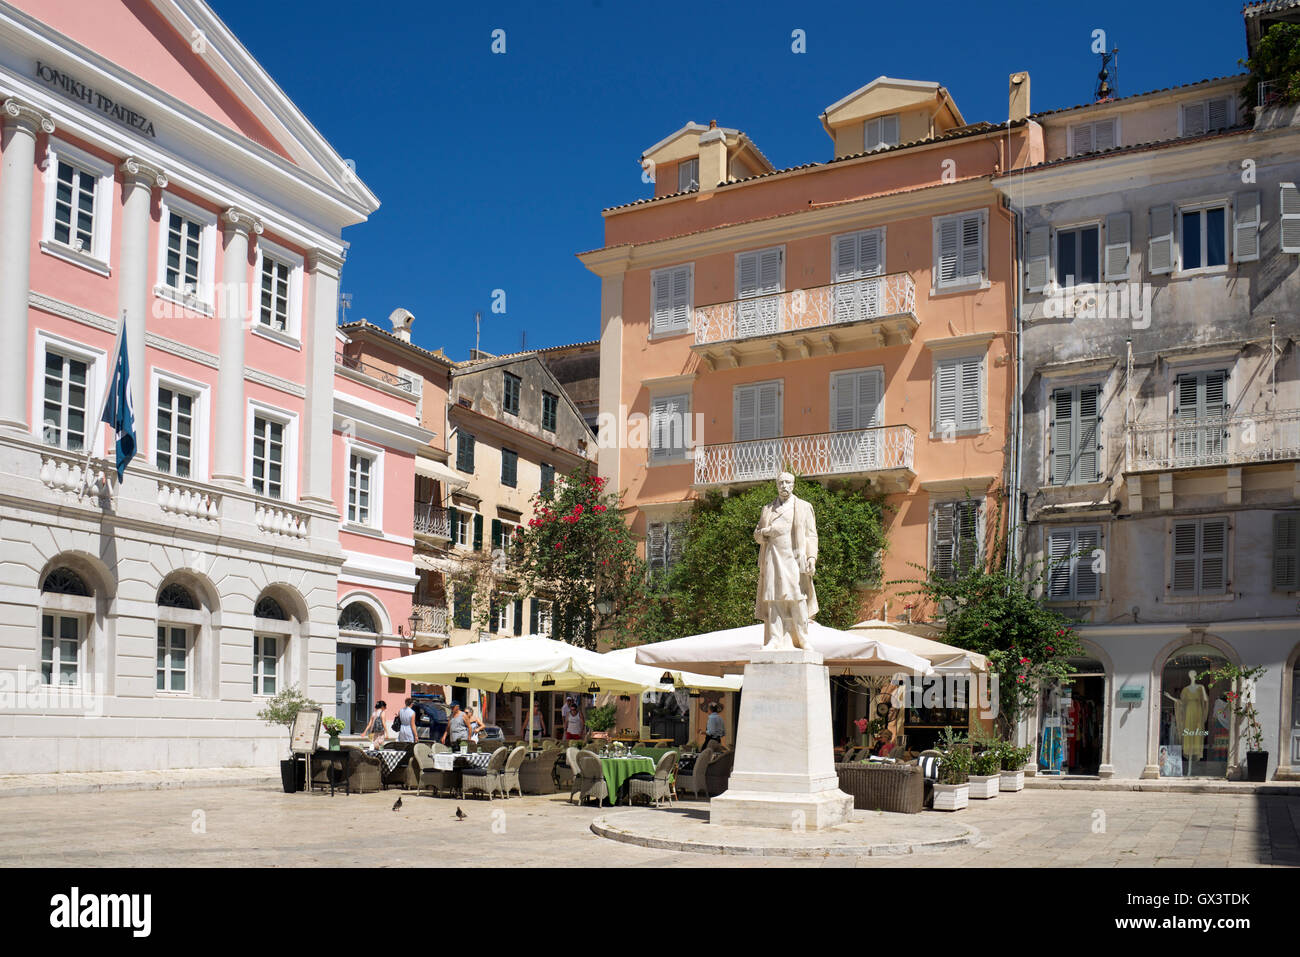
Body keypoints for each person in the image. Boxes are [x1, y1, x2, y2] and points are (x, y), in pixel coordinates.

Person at [753, 472, 819, 650]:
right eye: (781, 482)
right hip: (773, 556)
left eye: (788, 482)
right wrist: (764, 532)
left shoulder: (804, 507)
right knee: (774, 598)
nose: (784, 485)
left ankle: (803, 638)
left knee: (797, 598)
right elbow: (757, 534)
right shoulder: (768, 509)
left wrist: (812, 557)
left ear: (793, 485)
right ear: (777, 485)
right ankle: (775, 638)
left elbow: (811, 535)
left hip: (795, 558)